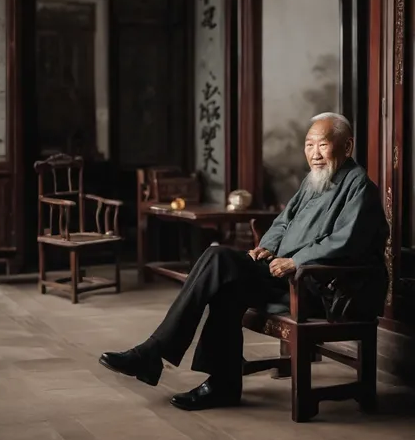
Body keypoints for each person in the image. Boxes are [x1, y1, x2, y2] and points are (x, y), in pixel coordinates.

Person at [99, 113, 389, 411]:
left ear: (347, 146)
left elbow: (347, 241)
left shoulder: (360, 188)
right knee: (225, 282)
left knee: (218, 258)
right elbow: (282, 221)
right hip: (282, 275)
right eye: (309, 145)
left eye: (323, 145)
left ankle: (155, 352)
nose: (314, 154)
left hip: (318, 286)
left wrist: (296, 261)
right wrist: (267, 245)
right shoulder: (314, 181)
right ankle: (221, 385)